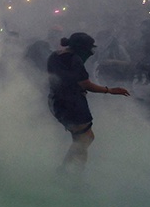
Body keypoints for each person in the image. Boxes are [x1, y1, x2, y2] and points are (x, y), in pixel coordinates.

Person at [47, 32, 130, 171]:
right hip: (71, 104)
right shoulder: (74, 59)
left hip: (57, 100)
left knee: (85, 138)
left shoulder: (54, 55)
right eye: (88, 48)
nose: (90, 52)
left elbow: (58, 78)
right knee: (83, 140)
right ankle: (74, 176)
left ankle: (65, 169)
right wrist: (110, 90)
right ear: (82, 48)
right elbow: (85, 84)